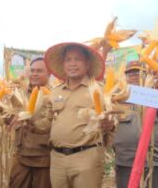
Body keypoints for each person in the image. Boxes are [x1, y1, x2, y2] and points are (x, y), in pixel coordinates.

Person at [43, 42, 115, 188]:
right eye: (68, 59)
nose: (72, 63)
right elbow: (46, 123)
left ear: (87, 64)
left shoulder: (99, 90)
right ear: (63, 64)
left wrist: (110, 124)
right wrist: (26, 121)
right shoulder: (55, 92)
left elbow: (112, 119)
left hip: (86, 157)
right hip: (57, 158)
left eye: (78, 59)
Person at [113, 61, 158, 188]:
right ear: (125, 78)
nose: (134, 76)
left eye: (139, 73)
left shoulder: (155, 94)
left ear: (147, 76)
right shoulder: (116, 98)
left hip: (154, 163)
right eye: (131, 73)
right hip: (126, 163)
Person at [9, 57, 52, 188]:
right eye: (32, 70)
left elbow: (53, 123)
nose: (34, 74)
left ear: (49, 73)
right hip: (21, 154)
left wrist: (32, 121)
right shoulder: (20, 93)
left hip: (43, 158)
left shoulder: (54, 95)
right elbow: (10, 120)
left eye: (39, 71)